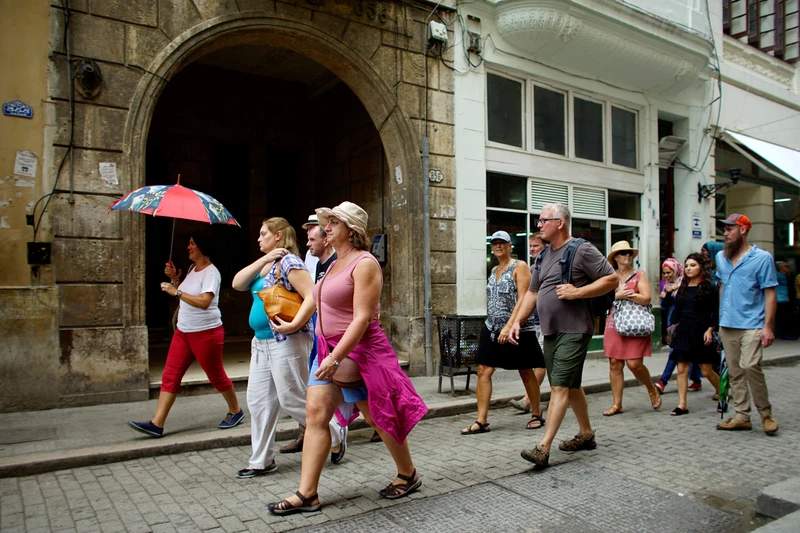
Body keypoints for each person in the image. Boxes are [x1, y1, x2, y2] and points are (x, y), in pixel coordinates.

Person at [268, 201, 427, 515]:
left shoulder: (364, 263)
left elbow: (362, 319)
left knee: (377, 418)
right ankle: (307, 494)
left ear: (351, 230)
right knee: (316, 414)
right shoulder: (333, 264)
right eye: (327, 223)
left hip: (359, 351)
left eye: (333, 223)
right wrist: (295, 325)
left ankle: (408, 473)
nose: (326, 228)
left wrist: (336, 359)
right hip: (330, 350)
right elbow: (315, 299)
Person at [510, 203, 617, 470]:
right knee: (570, 384)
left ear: (560, 222)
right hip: (550, 329)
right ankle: (586, 434)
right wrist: (517, 321)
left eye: (544, 220)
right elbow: (532, 294)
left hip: (575, 328)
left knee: (558, 386)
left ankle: (542, 448)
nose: (539, 225)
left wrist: (577, 293)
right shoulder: (543, 255)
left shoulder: (582, 249)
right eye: (539, 220)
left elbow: (611, 279)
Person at [232, 217, 332, 478]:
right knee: (258, 401)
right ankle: (261, 461)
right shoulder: (266, 264)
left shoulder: (290, 261)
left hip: (287, 340)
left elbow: (314, 295)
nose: (258, 238)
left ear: (277, 235)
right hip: (262, 342)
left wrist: (294, 324)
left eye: (263, 233)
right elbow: (237, 283)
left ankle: (334, 431)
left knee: (292, 398)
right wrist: (264, 260)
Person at [128, 235, 243, 438]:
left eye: (192, 243)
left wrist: (175, 292)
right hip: (184, 332)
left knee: (216, 376)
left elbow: (204, 301)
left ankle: (236, 410)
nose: (188, 246)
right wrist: (175, 280)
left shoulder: (211, 273)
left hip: (206, 333)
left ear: (202, 247)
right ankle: (157, 423)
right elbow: (186, 292)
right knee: (170, 375)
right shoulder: (192, 270)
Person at [461, 230, 546, 435]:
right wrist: (497, 325)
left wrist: (510, 325)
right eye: (495, 243)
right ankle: (481, 420)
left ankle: (536, 413)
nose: (498, 246)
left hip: (518, 328)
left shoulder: (520, 266)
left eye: (503, 243)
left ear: (510, 246)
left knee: (525, 371)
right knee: (483, 370)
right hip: (492, 328)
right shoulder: (493, 270)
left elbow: (524, 298)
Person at [279, 219, 346, 456]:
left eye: (312, 239)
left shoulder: (339, 264)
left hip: (337, 337)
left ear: (326, 239)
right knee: (315, 388)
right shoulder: (317, 264)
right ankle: (308, 433)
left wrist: (295, 324)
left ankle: (365, 426)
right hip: (320, 332)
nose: (307, 244)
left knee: (352, 389)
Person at [715, 214, 779, 435]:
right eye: (724, 229)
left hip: (753, 323)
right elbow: (722, 286)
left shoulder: (762, 258)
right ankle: (742, 416)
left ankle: (766, 414)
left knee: (751, 366)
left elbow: (770, 293)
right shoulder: (720, 257)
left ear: (743, 230)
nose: (725, 233)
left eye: (730, 229)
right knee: (734, 371)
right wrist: (719, 318)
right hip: (728, 324)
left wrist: (768, 326)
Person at [601, 241, 662, 416]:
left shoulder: (639, 275)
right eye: (623, 253)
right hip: (614, 321)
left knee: (634, 364)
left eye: (629, 253)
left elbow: (646, 298)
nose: (627, 256)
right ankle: (617, 404)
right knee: (614, 363)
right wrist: (617, 295)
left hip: (635, 323)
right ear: (615, 258)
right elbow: (602, 298)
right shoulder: (609, 276)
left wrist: (628, 295)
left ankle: (651, 388)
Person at [667, 254, 721, 415]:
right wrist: (671, 328)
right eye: (687, 265)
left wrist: (711, 329)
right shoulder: (682, 286)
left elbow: (715, 311)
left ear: (701, 268)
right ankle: (682, 404)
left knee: (706, 370)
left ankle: (722, 392)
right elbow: (677, 311)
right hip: (684, 330)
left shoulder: (710, 287)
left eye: (693, 265)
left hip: (702, 330)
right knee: (682, 368)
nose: (689, 268)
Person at [510, 232, 548, 413]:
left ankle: (528, 400)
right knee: (541, 361)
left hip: (548, 321)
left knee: (542, 362)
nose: (532, 249)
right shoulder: (533, 269)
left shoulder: (548, 267)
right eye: (531, 246)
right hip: (535, 321)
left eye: (536, 246)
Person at [654, 258, 703, 394]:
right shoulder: (667, 286)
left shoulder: (685, 283)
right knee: (686, 356)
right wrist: (668, 294)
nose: (667, 276)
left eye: (669, 272)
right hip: (673, 326)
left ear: (676, 270)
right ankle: (696, 379)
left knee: (675, 354)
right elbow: (664, 307)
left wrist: (677, 291)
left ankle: (662, 382)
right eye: (664, 273)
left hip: (686, 325)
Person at [775, 262, 796, 340]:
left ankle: (789, 333)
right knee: (783, 317)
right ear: (781, 267)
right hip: (780, 298)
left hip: (787, 298)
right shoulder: (777, 275)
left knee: (789, 317)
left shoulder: (788, 276)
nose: (788, 268)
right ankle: (783, 334)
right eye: (786, 266)